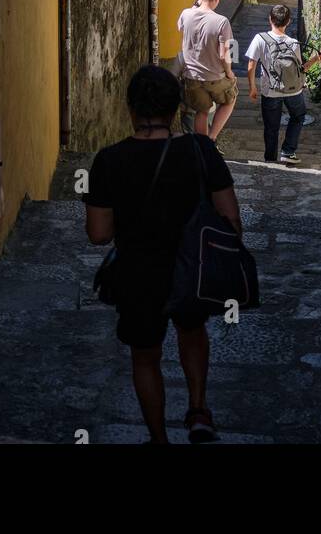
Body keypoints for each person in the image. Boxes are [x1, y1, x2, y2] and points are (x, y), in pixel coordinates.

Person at [85, 65, 242, 444]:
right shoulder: (200, 150)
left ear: (131, 109)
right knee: (192, 332)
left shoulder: (109, 161)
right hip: (192, 268)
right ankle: (199, 411)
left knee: (145, 356)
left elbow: (99, 234)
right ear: (176, 109)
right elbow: (231, 218)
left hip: (138, 273)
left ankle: (158, 438)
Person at [246, 3, 321, 164]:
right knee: (298, 116)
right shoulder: (293, 43)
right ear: (288, 21)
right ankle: (288, 151)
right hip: (293, 91)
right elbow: (300, 69)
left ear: (270, 19)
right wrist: (316, 59)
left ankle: (270, 159)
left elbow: (251, 66)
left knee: (271, 127)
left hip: (270, 92)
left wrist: (253, 87)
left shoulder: (259, 39)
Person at [177, 0, 238, 142]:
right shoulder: (221, 22)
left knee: (201, 111)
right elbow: (224, 54)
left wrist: (196, 6)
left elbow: (181, 26)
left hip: (192, 77)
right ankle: (211, 138)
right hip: (214, 76)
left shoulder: (186, 14)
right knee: (230, 99)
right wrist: (229, 73)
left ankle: (201, 145)